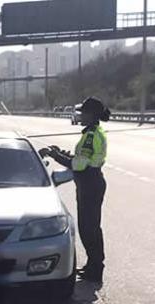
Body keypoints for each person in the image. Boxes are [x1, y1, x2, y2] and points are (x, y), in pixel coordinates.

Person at [41, 96, 110, 285]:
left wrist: (55, 156)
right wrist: (59, 152)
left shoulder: (90, 135)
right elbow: (79, 157)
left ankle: (96, 269)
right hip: (89, 182)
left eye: (83, 112)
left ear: (91, 115)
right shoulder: (91, 132)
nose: (80, 115)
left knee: (90, 229)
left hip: (90, 183)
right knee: (88, 227)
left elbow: (79, 164)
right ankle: (92, 264)